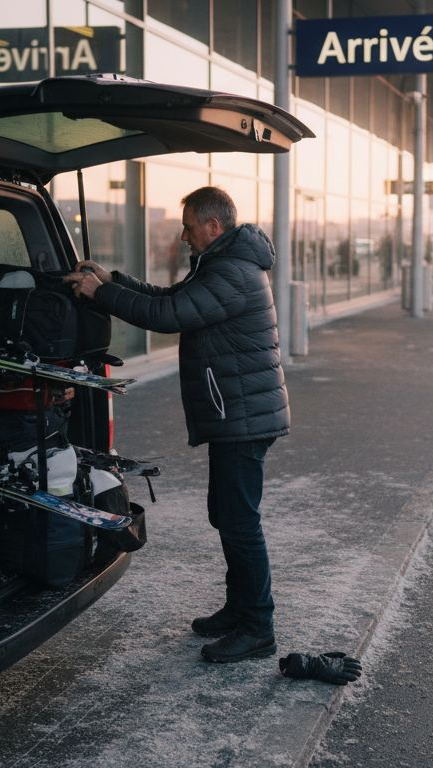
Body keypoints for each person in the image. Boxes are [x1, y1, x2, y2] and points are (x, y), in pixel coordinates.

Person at [64, 186, 289, 663]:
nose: (183, 234)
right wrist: (114, 280)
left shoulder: (232, 271)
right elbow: (171, 296)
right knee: (229, 516)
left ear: (214, 225)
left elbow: (169, 315)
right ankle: (241, 608)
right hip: (239, 411)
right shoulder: (222, 264)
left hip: (243, 416)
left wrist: (102, 294)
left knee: (239, 521)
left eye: (188, 226)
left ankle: (258, 626)